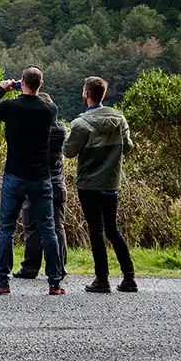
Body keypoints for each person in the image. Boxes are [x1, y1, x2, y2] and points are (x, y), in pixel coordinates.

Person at [0, 68, 66, 295]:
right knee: (48, 229)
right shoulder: (49, 109)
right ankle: (55, 282)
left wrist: (2, 89)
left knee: (7, 229)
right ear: (41, 84)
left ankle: (2, 281)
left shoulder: (11, 106)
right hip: (41, 176)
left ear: (22, 82)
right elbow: (40, 102)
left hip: (15, 173)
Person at [65, 75, 138, 293]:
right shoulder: (120, 120)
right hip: (111, 182)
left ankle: (102, 279)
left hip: (88, 184)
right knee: (112, 229)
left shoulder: (80, 124)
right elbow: (128, 147)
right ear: (103, 94)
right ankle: (129, 277)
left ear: (86, 93)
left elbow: (68, 152)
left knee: (96, 230)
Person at [12, 91, 68, 283]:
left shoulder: (35, 130)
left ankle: (30, 267)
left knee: (32, 227)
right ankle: (59, 267)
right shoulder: (61, 130)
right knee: (57, 226)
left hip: (36, 180)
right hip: (57, 182)